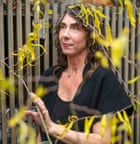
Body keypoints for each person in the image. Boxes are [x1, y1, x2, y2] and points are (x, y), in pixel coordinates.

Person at [25, 3, 133, 144]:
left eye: (75, 28)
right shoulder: (49, 77)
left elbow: (103, 140)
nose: (65, 35)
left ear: (90, 36)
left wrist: (54, 128)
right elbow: (42, 135)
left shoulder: (102, 80)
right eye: (63, 27)